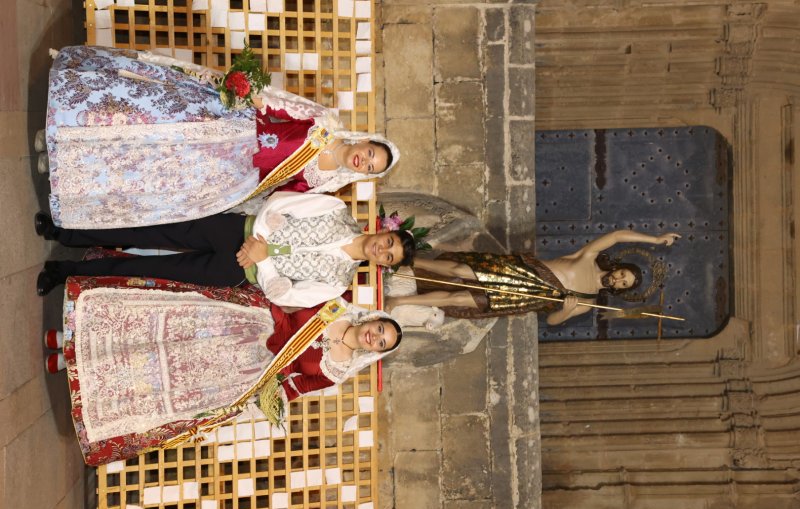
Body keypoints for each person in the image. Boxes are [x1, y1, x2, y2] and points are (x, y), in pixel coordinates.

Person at [49, 277, 401, 466]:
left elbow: (295, 388)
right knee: (160, 336)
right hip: (245, 325)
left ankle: (75, 368)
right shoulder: (334, 305)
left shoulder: (336, 371)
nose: (375, 337)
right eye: (381, 330)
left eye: (381, 344)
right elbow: (289, 296)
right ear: (375, 319)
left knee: (163, 374)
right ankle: (70, 338)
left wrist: (265, 396)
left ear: (376, 352)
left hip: (245, 372)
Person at [41, 45, 400, 229]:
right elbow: (280, 106)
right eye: (370, 153)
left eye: (370, 167)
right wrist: (250, 94)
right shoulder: (324, 123)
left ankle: (61, 166)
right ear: (365, 141)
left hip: (226, 173)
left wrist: (261, 213)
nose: (364, 160)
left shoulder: (324, 183)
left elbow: (279, 198)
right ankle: (57, 129)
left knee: (141, 167)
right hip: (228, 124)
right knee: (140, 116)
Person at [35, 191, 416, 307]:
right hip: (233, 230)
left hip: (236, 271)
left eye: (388, 257)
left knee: (153, 272)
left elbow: (285, 293)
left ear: (381, 265)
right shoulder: (336, 210)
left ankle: (63, 272)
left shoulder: (337, 283)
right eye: (389, 243)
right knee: (151, 231)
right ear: (383, 231)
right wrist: (258, 240)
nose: (383, 250)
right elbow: (282, 205)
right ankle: (66, 232)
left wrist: (260, 262)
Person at [385, 230, 680, 325]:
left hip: (521, 298)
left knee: (461, 298)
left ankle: (398, 299)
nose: (617, 281)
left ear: (620, 290)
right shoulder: (587, 258)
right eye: (621, 275)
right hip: (518, 273)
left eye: (623, 284)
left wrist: (566, 308)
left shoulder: (590, 302)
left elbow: (552, 321)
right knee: (460, 271)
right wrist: (654, 240)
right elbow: (616, 236)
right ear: (618, 268)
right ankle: (407, 260)